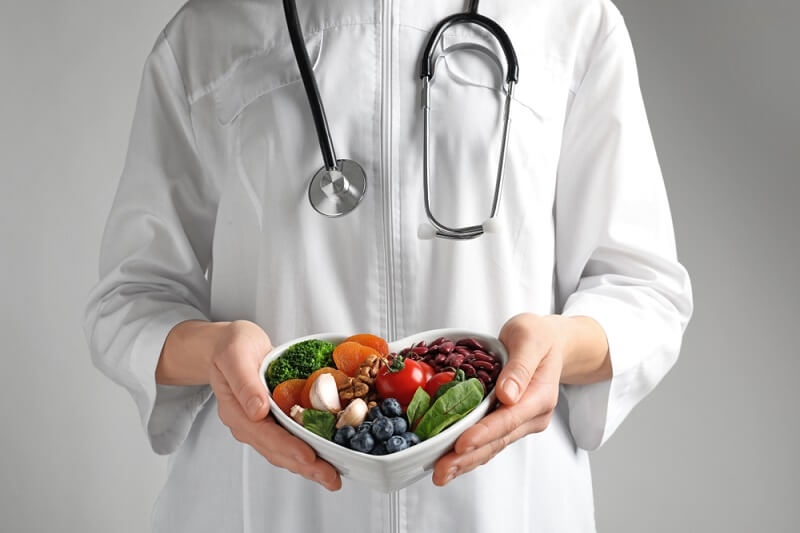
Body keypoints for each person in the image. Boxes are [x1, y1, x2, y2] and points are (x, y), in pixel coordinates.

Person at [84, 0, 693, 531]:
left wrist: (558, 346)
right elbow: (132, 299)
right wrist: (217, 353)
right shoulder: (206, 36)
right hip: (268, 500)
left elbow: (642, 288)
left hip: (501, 503)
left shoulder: (572, 22)